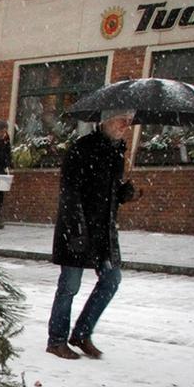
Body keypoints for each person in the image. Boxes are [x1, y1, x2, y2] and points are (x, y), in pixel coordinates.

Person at [46, 109, 139, 360]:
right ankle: (56, 340)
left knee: (111, 280)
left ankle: (82, 333)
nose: (125, 126)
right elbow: (70, 192)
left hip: (103, 232)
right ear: (106, 119)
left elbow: (108, 195)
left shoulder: (117, 152)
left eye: (129, 122)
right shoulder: (82, 148)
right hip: (77, 228)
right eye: (122, 119)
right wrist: (76, 227)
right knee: (69, 286)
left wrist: (124, 193)